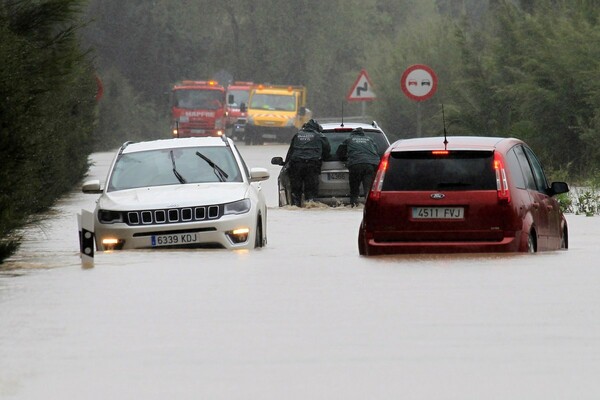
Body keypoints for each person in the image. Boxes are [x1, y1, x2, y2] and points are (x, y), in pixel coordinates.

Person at [284, 119, 331, 207]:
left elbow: (291, 151)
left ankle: (296, 205)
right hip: (312, 166)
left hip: (296, 165)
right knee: (311, 190)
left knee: (296, 190)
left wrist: (286, 163)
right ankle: (310, 205)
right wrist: (324, 159)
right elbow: (327, 151)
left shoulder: (297, 135)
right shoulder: (320, 136)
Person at [336, 127, 381, 207]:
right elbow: (377, 152)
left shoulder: (349, 139)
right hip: (370, 165)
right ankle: (369, 206)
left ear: (353, 133)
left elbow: (340, 153)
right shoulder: (370, 140)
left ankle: (354, 204)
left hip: (355, 164)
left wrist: (345, 160)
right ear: (362, 133)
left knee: (354, 188)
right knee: (368, 190)